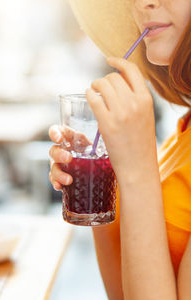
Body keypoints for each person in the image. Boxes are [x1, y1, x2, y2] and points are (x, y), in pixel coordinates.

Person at [49, 0, 191, 299]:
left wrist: (137, 169)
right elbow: (122, 294)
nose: (142, 3)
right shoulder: (183, 134)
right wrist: (109, 175)